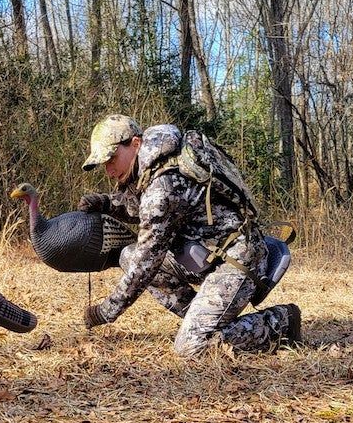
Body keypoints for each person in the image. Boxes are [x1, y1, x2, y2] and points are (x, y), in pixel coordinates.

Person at [78, 114, 301, 357]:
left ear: (135, 144)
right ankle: (202, 319)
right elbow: (142, 208)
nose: (109, 170)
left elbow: (147, 259)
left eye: (111, 158)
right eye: (104, 163)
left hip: (235, 262)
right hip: (207, 254)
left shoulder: (163, 184)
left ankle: (280, 322)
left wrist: (106, 311)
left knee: (192, 347)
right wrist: (106, 203)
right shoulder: (158, 163)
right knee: (127, 256)